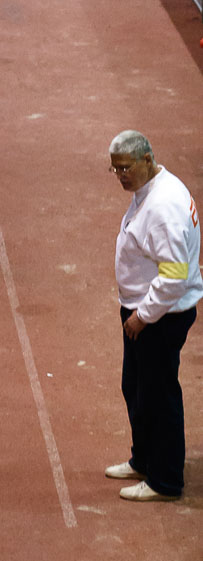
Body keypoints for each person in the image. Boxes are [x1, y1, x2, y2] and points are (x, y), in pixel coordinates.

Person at [105, 130, 202, 501]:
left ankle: (165, 480)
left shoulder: (163, 207)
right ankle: (143, 458)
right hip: (147, 311)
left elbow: (174, 276)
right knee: (137, 388)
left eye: (126, 168)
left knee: (158, 396)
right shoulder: (155, 188)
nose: (121, 176)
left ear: (147, 158)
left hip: (158, 318)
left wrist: (142, 316)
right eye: (114, 170)